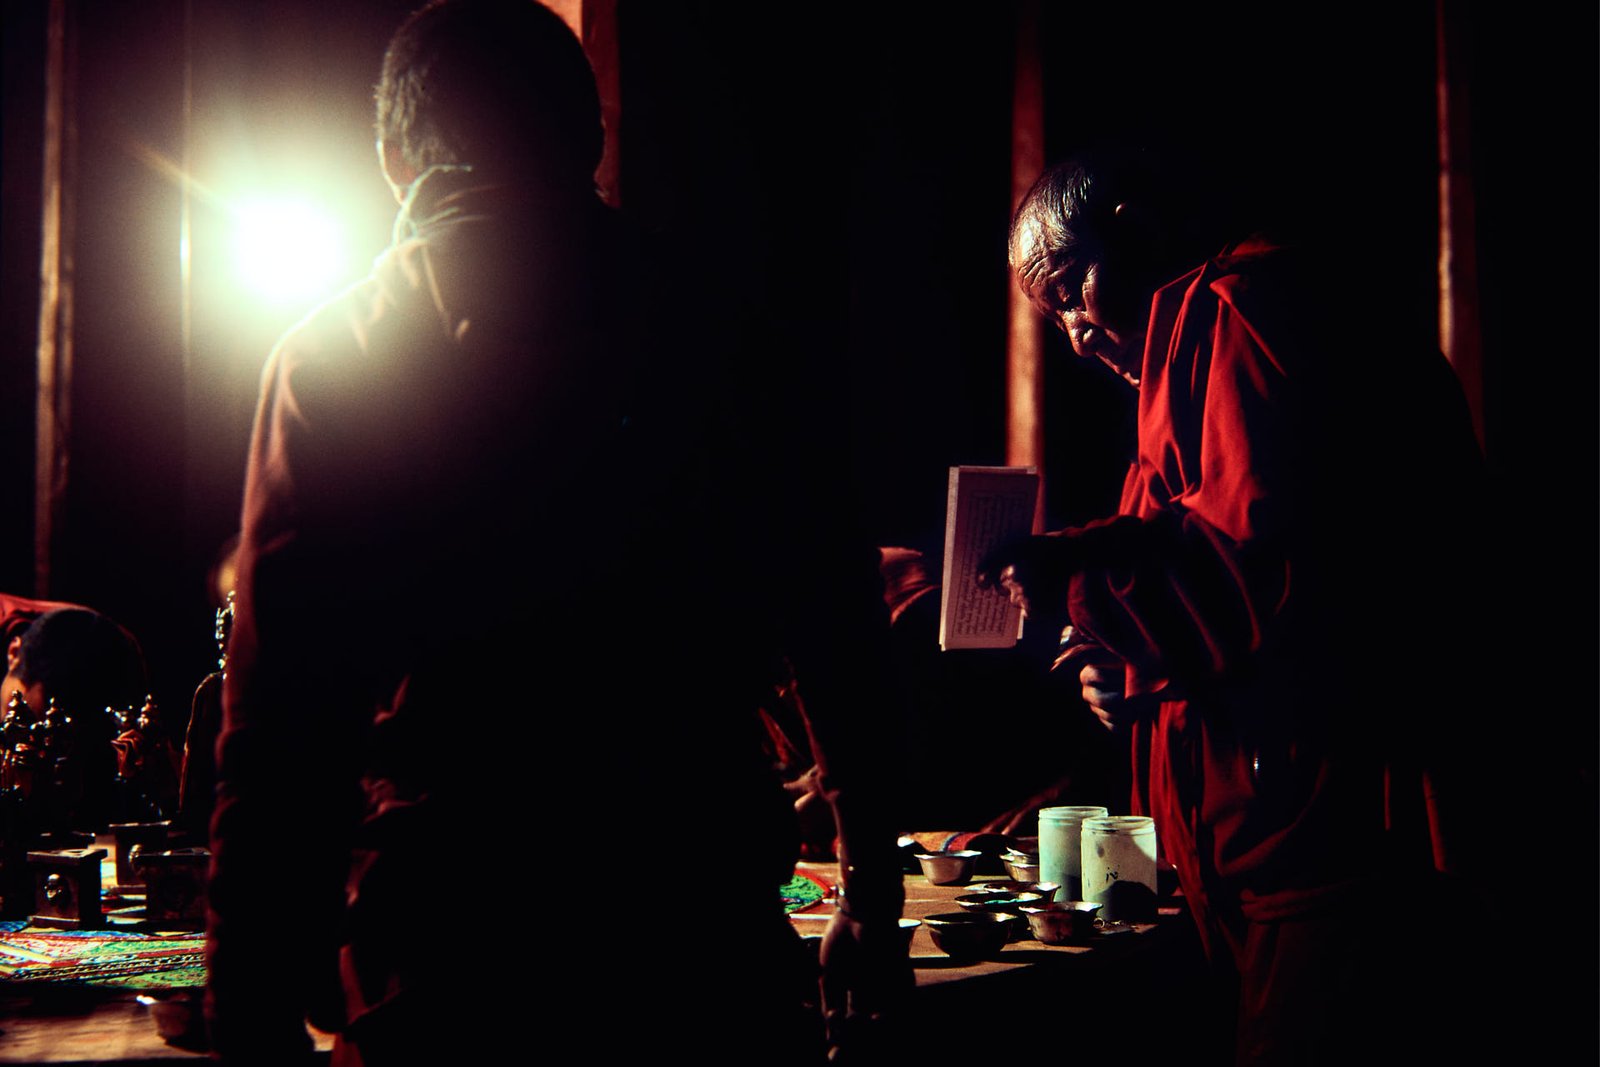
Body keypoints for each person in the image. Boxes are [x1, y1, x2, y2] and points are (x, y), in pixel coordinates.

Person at [206, 3, 904, 1064]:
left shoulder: (338, 356)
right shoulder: (726, 331)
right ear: (589, 139)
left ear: (395, 157)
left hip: (451, 956)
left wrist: (248, 1010)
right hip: (696, 942)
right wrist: (868, 891)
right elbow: (839, 629)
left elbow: (281, 729)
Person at [984, 155, 1495, 1064]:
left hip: (1337, 844)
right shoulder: (1194, 351)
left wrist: (1073, 579)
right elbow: (1191, 566)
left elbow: (1260, 568)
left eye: (1071, 291)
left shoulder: (1240, 311)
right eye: (1052, 314)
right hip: (1280, 850)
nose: (1074, 335)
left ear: (1135, 229)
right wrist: (1120, 656)